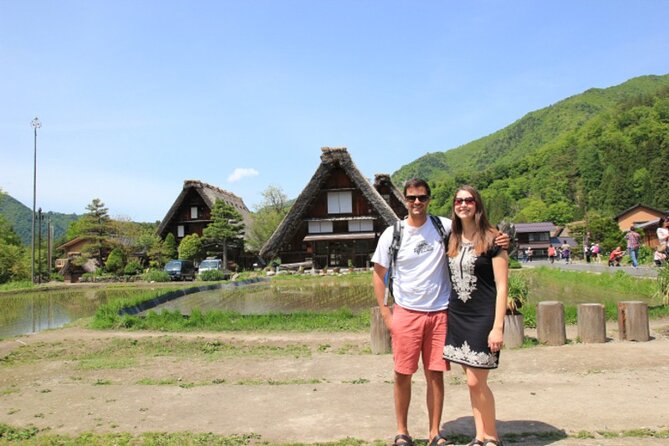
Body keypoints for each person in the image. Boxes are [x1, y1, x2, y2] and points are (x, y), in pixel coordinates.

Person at [371, 178, 508, 446]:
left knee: (435, 374)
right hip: (407, 312)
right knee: (402, 373)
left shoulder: (443, 226)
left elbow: (476, 232)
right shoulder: (393, 233)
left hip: (440, 312)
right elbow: (379, 274)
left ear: (429, 199)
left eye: (422, 197)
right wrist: (386, 313)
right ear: (405, 201)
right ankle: (402, 432)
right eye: (411, 198)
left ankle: (435, 433)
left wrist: (502, 238)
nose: (417, 203)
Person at [442, 185, 509, 446]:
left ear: (477, 205)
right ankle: (480, 436)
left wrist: (498, 327)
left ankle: (491, 436)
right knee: (471, 382)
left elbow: (502, 286)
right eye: (459, 200)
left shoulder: (494, 240)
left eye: (469, 200)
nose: (463, 205)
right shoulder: (451, 238)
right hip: (458, 315)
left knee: (475, 380)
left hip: (483, 316)